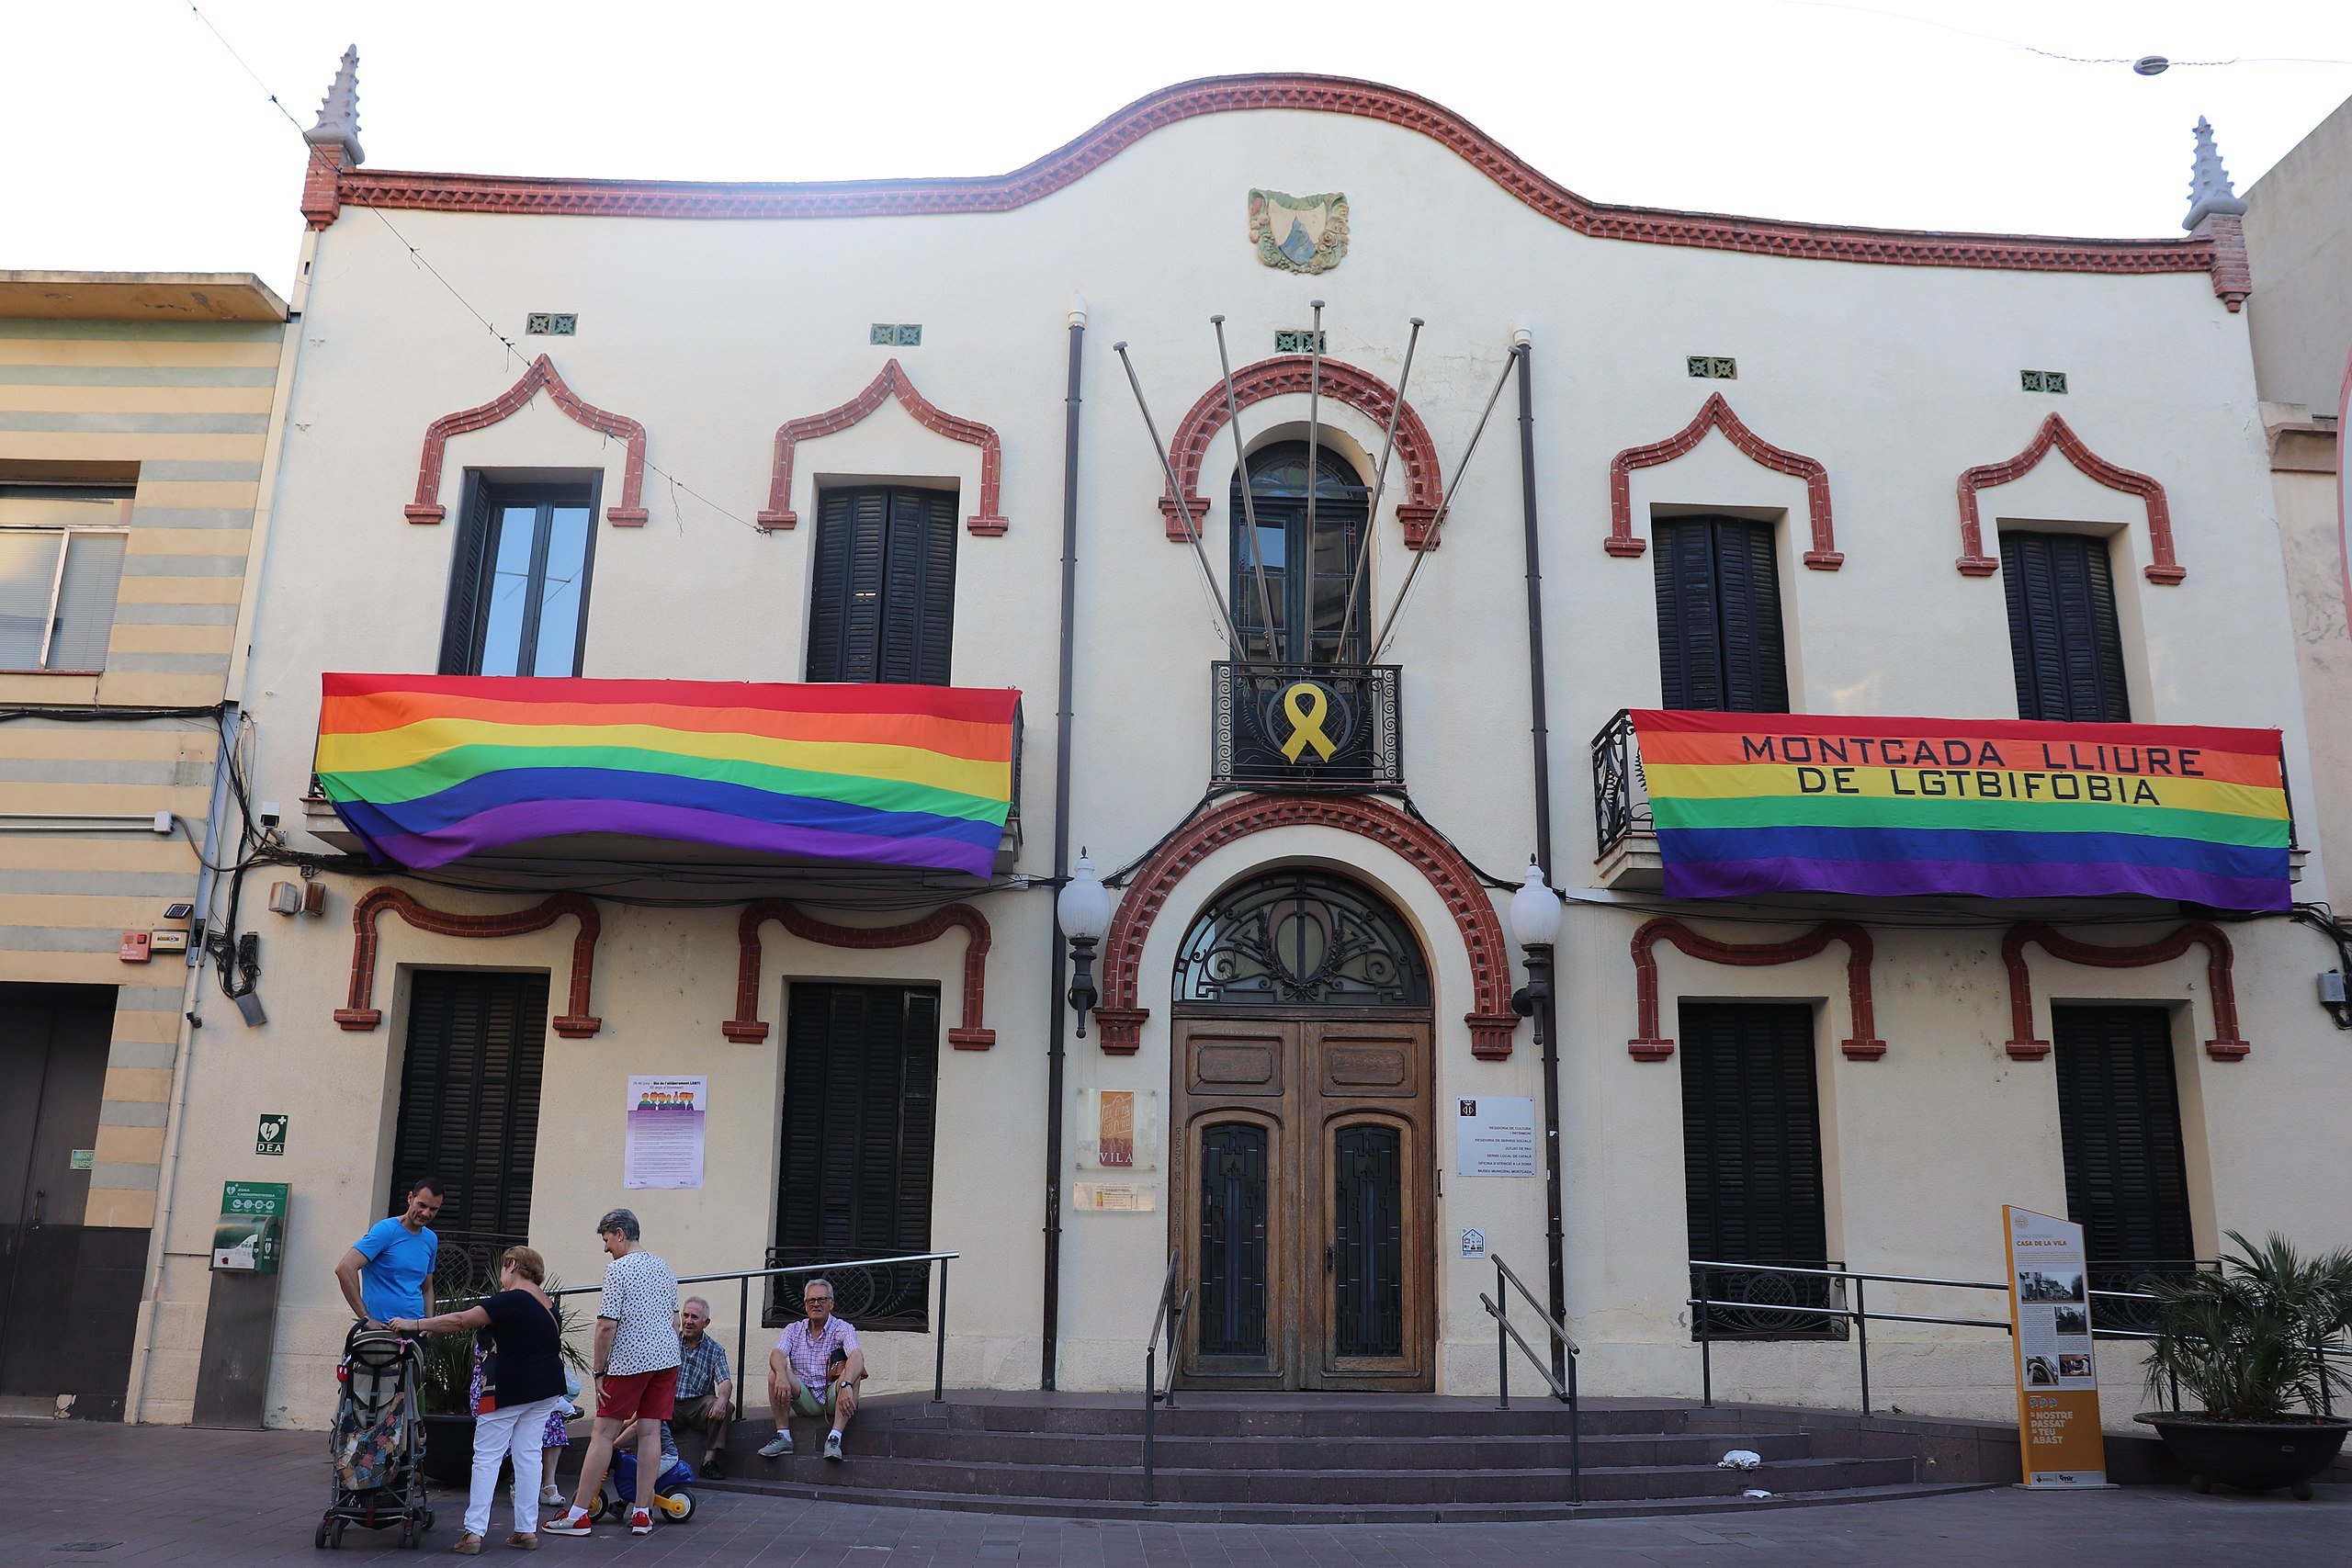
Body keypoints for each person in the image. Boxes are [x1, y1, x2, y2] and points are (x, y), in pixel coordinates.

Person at [390, 1245, 566, 1555]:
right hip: (546, 1389)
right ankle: (526, 1530)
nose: (501, 1275)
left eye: (503, 1267)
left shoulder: (510, 1300)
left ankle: (473, 1533)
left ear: (512, 1264)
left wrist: (414, 1324)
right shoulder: (548, 1304)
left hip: (509, 1388)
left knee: (487, 1457)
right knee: (529, 1456)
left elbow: (460, 1320)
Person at [543, 1210, 680, 1539]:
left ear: (619, 1233)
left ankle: (578, 1514)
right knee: (650, 1432)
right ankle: (643, 1513)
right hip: (666, 1359)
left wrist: (598, 1371)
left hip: (629, 1361)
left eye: (606, 1240)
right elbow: (675, 1322)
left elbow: (606, 1325)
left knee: (602, 1433)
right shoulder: (664, 1266)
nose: (606, 1248)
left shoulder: (618, 1270)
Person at [758, 1277, 864, 1463]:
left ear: (831, 1304)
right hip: (804, 1397)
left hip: (833, 1396)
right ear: (805, 1305)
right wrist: (782, 1374)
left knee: (853, 1373)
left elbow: (857, 1356)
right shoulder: (794, 1329)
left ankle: (834, 1438)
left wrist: (846, 1383)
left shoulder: (843, 1328)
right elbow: (777, 1353)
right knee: (775, 1373)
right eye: (811, 1300)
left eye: (821, 1300)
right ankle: (783, 1437)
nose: (816, 1304)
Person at [334, 1179, 443, 1326]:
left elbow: (427, 1287)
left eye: (433, 1209)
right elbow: (345, 1268)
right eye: (422, 1205)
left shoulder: (430, 1239)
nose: (426, 1213)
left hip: (415, 1330)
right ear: (410, 1198)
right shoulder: (386, 1230)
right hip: (383, 1331)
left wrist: (429, 1324)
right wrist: (366, 1319)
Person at [671, 1296, 733, 1478]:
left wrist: (722, 1400)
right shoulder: (670, 1340)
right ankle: (661, 1459)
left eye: (694, 1317)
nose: (688, 1321)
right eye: (686, 1315)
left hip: (698, 1405)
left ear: (706, 1322)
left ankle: (709, 1461)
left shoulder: (715, 1349)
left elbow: (725, 1381)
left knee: (726, 1406)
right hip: (671, 1402)